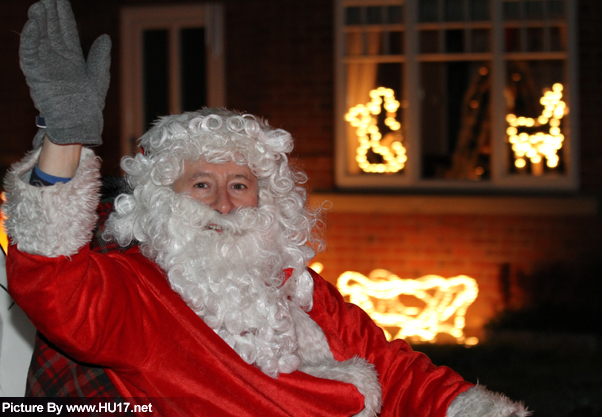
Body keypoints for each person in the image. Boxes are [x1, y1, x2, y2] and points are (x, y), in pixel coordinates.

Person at [3, 0, 529, 415]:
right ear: (161, 199)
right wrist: (65, 140)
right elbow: (52, 282)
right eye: (202, 184)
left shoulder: (298, 285)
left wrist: (471, 408)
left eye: (240, 184)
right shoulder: (138, 292)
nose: (226, 204)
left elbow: (388, 367)